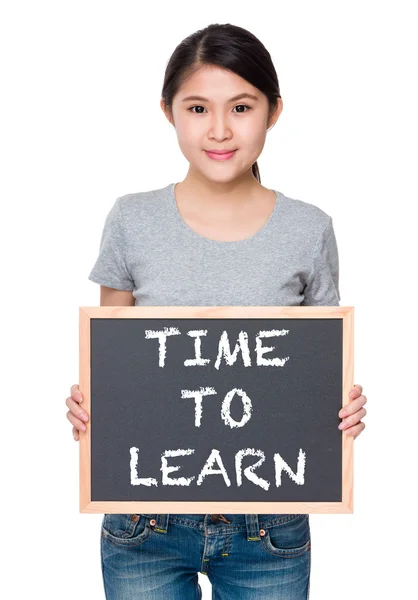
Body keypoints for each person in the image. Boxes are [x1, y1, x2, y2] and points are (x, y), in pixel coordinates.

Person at [66, 22, 367, 600]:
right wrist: (89, 404)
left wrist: (343, 413)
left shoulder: (309, 229)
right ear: (169, 111)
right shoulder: (131, 220)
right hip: (143, 522)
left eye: (242, 107)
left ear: (274, 111)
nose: (221, 130)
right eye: (199, 107)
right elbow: (114, 360)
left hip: (269, 526)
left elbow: (319, 368)